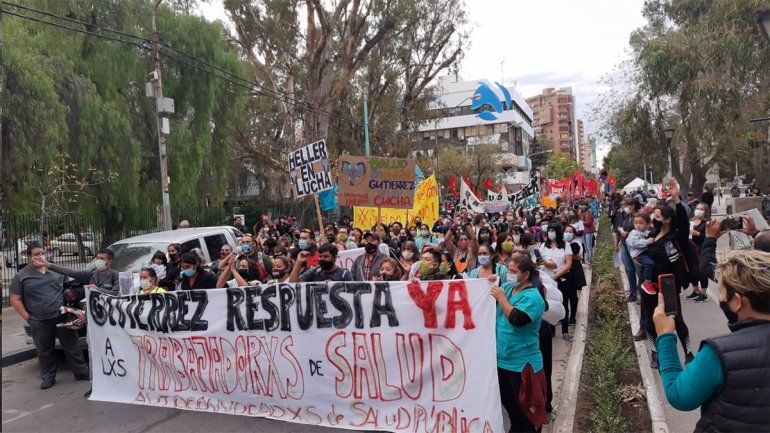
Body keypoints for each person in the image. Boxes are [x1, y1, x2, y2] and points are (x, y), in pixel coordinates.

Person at [653, 250, 770, 432]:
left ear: (737, 302)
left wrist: (665, 336)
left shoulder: (719, 352)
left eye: (721, 292)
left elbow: (679, 396)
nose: (721, 298)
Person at [9, 243, 90, 389]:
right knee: (44, 351)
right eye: (36, 254)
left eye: (42, 253)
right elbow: (15, 300)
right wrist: (29, 318)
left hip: (61, 316)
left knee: (72, 346)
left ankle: (82, 372)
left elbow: (78, 279)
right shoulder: (21, 276)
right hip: (39, 320)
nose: (40, 257)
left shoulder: (55, 272)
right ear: (29, 257)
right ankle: (48, 377)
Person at [490, 256, 547, 432]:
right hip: (502, 361)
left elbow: (517, 319)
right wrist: (487, 283)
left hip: (522, 365)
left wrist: (502, 298)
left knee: (527, 411)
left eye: (514, 271)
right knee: (511, 406)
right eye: (508, 270)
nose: (509, 274)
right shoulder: (508, 288)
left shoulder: (533, 297)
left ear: (526, 274)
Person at [643, 179, 695, 368]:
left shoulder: (676, 236)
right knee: (650, 319)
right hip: (649, 283)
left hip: (668, 283)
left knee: (676, 318)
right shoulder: (652, 233)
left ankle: (689, 353)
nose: (654, 218)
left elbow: (683, 221)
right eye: (654, 215)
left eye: (658, 215)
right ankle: (655, 353)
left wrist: (676, 198)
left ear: (667, 219)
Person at [539, 222, 574, 340]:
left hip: (561, 278)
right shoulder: (543, 246)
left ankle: (565, 330)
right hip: (547, 279)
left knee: (563, 303)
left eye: (553, 231)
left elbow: (568, 264)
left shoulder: (565, 245)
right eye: (549, 231)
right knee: (550, 303)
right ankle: (551, 329)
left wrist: (556, 275)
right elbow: (541, 262)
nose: (550, 233)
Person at [47, 248, 120, 296]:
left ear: (109, 262)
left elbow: (116, 293)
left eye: (102, 258)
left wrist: (97, 289)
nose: (98, 260)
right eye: (97, 258)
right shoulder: (92, 274)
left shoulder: (116, 275)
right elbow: (71, 273)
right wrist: (49, 265)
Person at [616, 198, 643, 301]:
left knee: (639, 271)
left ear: (634, 206)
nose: (626, 207)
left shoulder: (640, 216)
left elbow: (642, 230)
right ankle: (633, 292)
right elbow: (620, 226)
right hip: (624, 244)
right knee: (629, 270)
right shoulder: (627, 216)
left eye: (628, 205)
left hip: (635, 247)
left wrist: (628, 233)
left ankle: (642, 294)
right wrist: (621, 230)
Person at [625, 212, 655, 302]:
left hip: (645, 253)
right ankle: (647, 282)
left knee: (643, 271)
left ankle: (644, 291)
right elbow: (634, 244)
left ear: (647, 224)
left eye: (641, 223)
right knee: (649, 264)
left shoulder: (647, 232)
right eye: (636, 223)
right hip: (639, 254)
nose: (638, 225)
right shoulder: (634, 233)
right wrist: (647, 241)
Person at [686, 203, 710, 302]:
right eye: (697, 208)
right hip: (690, 248)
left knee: (701, 270)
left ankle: (704, 293)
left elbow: (709, 237)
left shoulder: (706, 223)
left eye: (701, 209)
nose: (698, 210)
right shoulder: (690, 221)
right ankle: (696, 290)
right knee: (692, 270)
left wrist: (698, 234)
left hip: (700, 249)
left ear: (705, 211)